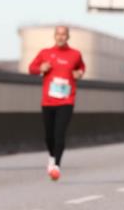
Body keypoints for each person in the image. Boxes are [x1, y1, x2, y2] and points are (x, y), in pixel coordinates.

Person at [28, 25, 85, 180]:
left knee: (59, 133)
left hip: (67, 100)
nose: (61, 37)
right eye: (58, 34)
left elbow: (81, 68)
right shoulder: (45, 53)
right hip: (48, 101)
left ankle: (56, 166)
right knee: (49, 136)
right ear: (54, 36)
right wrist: (41, 68)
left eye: (64, 34)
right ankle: (52, 157)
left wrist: (79, 73)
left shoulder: (75, 54)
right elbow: (31, 68)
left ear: (68, 37)